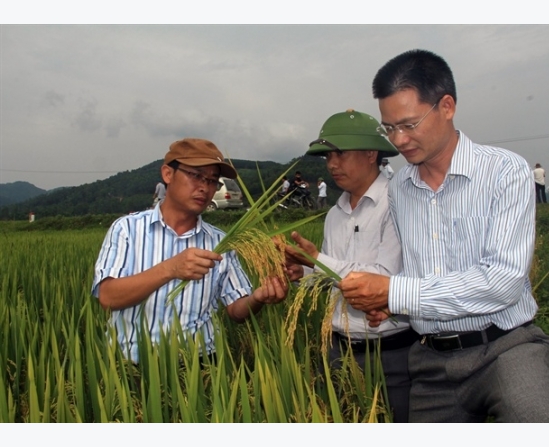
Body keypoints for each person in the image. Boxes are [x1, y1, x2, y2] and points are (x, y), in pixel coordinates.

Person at [338, 49, 549, 423]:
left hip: (504, 346)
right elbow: (420, 273)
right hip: (431, 359)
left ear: (447, 106)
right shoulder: (401, 190)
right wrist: (391, 302)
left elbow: (503, 282)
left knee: (539, 415)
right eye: (389, 127)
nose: (399, 139)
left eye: (409, 124)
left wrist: (394, 292)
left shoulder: (505, 172)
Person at [92, 138, 287, 364]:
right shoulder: (127, 229)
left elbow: (236, 310)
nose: (205, 187)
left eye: (213, 180)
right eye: (195, 175)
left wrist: (259, 297)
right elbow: (107, 297)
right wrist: (170, 269)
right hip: (131, 366)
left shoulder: (220, 242)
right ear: (167, 174)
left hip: (200, 366)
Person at [285, 109, 417, 422]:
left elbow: (383, 279)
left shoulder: (399, 203)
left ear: (372, 153)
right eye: (328, 156)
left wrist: (317, 261)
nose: (332, 164)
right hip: (338, 352)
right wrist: (302, 273)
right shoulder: (335, 214)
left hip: (392, 355)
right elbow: (331, 277)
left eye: (340, 154)